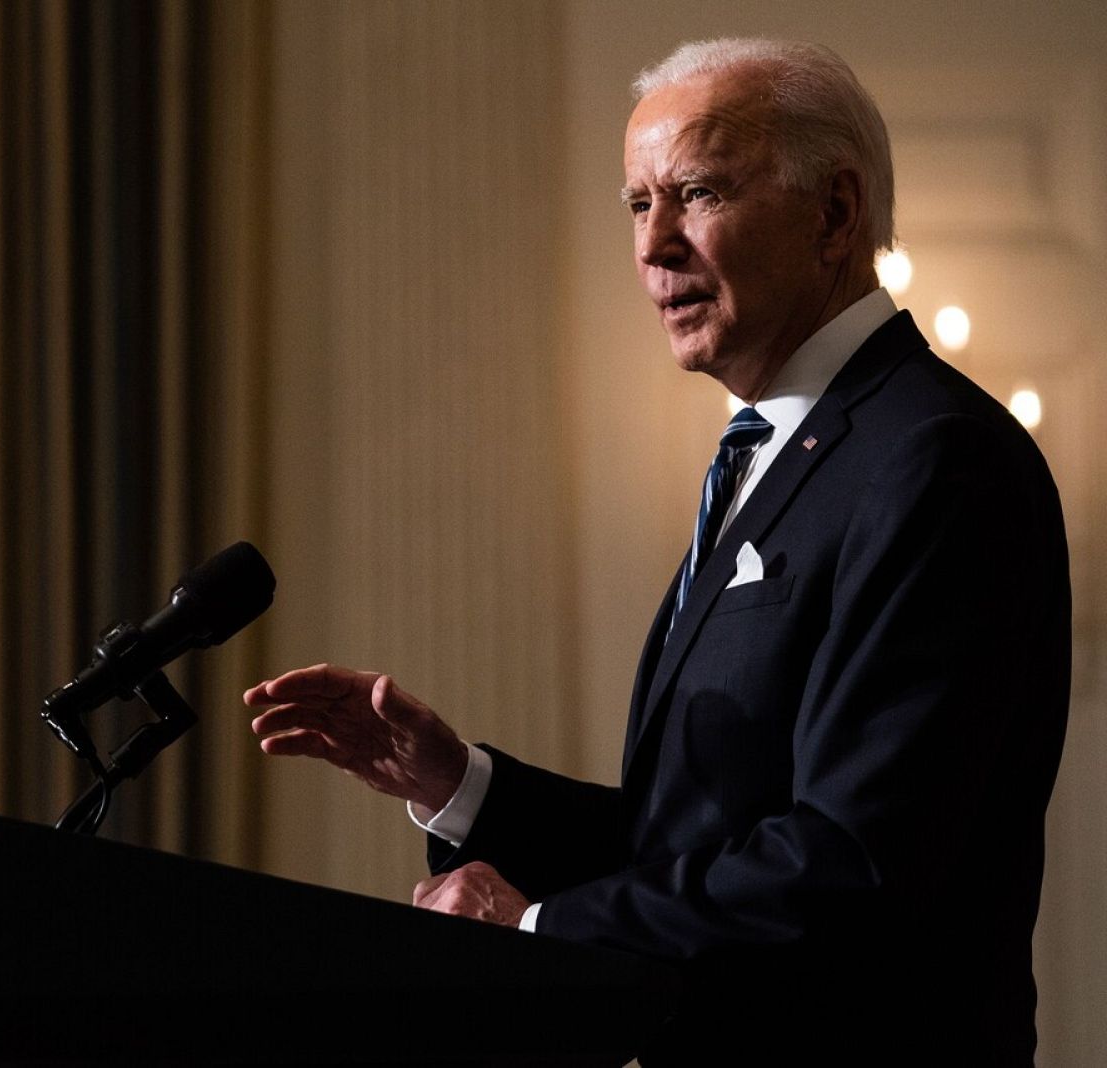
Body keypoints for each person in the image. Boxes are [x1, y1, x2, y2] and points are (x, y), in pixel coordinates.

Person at [243, 38, 1070, 1066]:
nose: (654, 245)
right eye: (638, 205)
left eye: (696, 192)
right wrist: (464, 786)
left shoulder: (934, 460)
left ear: (834, 213)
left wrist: (537, 930)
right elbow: (698, 843)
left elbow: (852, 859)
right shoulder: (770, 452)